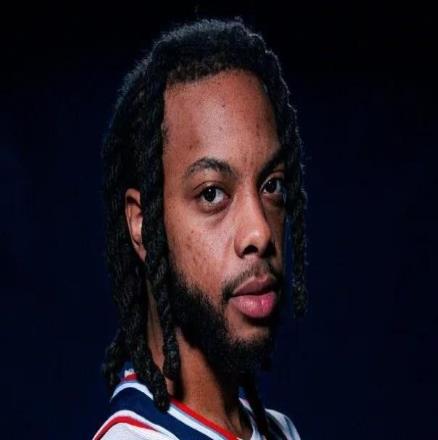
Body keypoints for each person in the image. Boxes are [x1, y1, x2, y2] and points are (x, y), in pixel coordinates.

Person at [92, 17, 307, 440]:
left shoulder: (278, 429)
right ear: (143, 225)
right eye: (212, 194)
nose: (260, 232)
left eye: (272, 185)